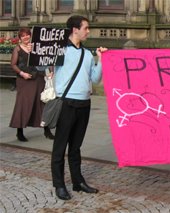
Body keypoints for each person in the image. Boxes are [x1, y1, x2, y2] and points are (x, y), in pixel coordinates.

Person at [51, 15, 108, 200]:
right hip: (67, 103)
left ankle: (78, 181)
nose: (88, 31)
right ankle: (59, 184)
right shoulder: (60, 50)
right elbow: (41, 65)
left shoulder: (86, 54)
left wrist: (100, 60)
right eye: (86, 28)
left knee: (76, 147)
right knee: (60, 147)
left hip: (84, 103)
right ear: (75, 29)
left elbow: (95, 79)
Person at [9, 28, 55, 142]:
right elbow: (13, 65)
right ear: (20, 38)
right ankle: (19, 131)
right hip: (24, 80)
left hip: (39, 78)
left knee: (42, 104)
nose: (26, 37)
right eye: (23, 35)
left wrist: (50, 71)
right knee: (23, 105)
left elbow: (46, 60)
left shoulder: (37, 47)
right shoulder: (17, 49)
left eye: (27, 35)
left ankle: (46, 130)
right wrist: (22, 73)